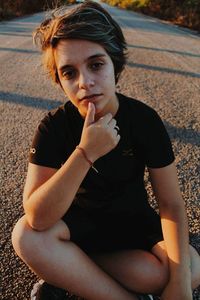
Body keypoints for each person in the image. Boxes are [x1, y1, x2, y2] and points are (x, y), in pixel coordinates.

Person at [11, 1, 200, 300]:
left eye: (96, 65)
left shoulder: (143, 120)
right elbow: (37, 218)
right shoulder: (54, 127)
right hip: (77, 226)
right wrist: (85, 152)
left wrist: (178, 283)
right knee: (25, 237)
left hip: (131, 226)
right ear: (59, 81)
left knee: (189, 270)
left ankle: (71, 270)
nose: (85, 82)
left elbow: (171, 203)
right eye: (69, 73)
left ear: (115, 64)